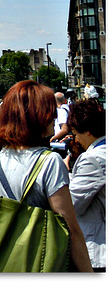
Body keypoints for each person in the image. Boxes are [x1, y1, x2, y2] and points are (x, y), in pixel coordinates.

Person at [0, 80, 93, 272]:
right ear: (36, 117)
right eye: (49, 112)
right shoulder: (50, 162)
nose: (54, 118)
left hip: (12, 261)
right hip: (45, 260)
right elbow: (71, 230)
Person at [64, 98, 106, 271]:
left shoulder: (92, 159)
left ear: (87, 131)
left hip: (96, 246)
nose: (76, 139)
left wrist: (64, 174)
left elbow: (72, 204)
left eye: (76, 133)